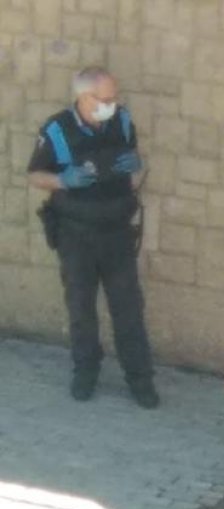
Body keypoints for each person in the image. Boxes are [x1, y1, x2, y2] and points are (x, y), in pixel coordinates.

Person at [27, 66, 157, 407]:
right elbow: (36, 174)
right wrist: (64, 180)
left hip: (116, 231)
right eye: (105, 99)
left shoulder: (122, 122)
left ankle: (140, 379)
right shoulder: (57, 130)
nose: (112, 104)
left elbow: (134, 166)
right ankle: (85, 372)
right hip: (76, 234)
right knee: (81, 308)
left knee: (128, 308)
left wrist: (135, 165)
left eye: (114, 98)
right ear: (84, 98)